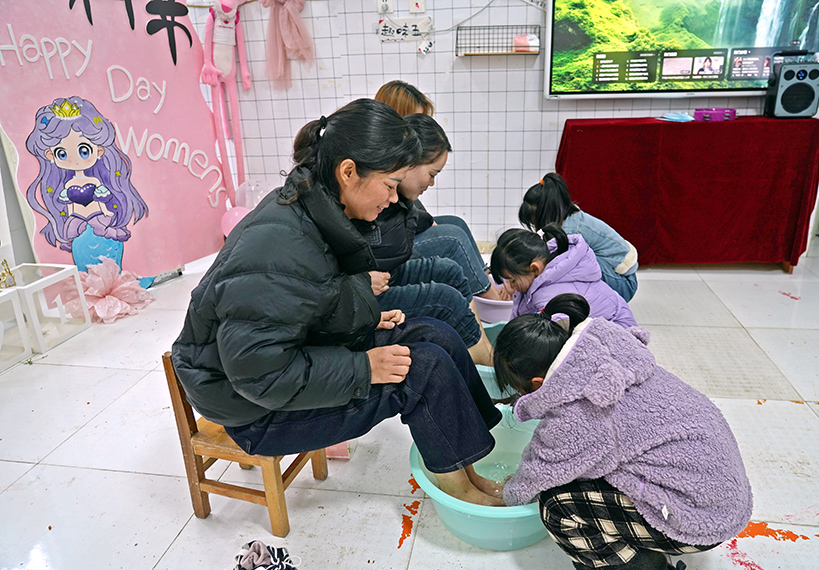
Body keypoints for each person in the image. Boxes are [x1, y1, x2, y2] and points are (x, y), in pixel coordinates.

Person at [171, 99, 504, 506]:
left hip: (287, 362)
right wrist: (364, 367)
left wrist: (365, 318)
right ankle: (461, 490)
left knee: (437, 334)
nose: (393, 198)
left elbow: (315, 296)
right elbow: (261, 376)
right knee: (423, 370)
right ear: (348, 172)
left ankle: (471, 466)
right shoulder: (281, 244)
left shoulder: (314, 206)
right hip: (253, 407)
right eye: (389, 185)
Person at [494, 294, 753, 570]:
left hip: (701, 515)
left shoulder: (581, 411)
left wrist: (509, 495)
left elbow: (538, 473)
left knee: (557, 506)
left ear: (537, 383)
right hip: (722, 491)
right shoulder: (610, 356)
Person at [362, 113, 494, 365]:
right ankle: (486, 364)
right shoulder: (367, 198)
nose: (432, 183)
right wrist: (359, 281)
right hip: (364, 293)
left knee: (449, 269)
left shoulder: (397, 199)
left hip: (382, 277)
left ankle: (485, 350)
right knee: (447, 299)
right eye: (432, 173)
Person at [374, 80, 507, 302]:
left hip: (395, 238)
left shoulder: (395, 171)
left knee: (455, 224)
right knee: (452, 238)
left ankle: (485, 281)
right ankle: (491, 300)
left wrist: (427, 221)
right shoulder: (380, 171)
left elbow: (407, 211)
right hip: (386, 254)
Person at [24, 96, 149, 272]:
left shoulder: (94, 181)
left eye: (84, 151)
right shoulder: (68, 185)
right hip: (78, 224)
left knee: (110, 257)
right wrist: (70, 220)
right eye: (62, 154)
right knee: (84, 261)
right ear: (50, 155)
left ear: (99, 150)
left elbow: (100, 200)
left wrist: (107, 214)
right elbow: (69, 206)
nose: (75, 161)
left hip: (99, 220)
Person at [519, 173, 638, 302]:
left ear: (545, 214)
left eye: (534, 221)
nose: (534, 225)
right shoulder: (564, 216)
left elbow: (555, 269)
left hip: (623, 283)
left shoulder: (570, 232)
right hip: (613, 274)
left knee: (569, 265)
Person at [490, 224, 637, 328]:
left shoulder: (549, 296)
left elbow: (551, 340)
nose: (512, 286)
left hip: (620, 337)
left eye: (513, 280)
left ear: (534, 268)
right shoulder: (549, 268)